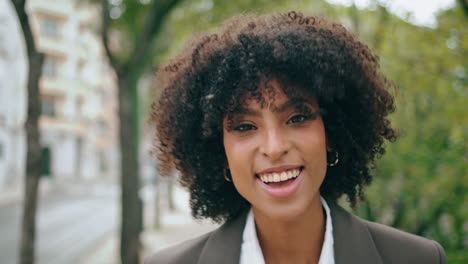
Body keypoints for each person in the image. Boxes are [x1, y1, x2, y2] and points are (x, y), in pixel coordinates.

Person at [145, 11, 446, 264]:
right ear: (218, 150)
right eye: (244, 126)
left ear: (332, 132)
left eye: (298, 118)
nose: (275, 148)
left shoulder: (418, 258)